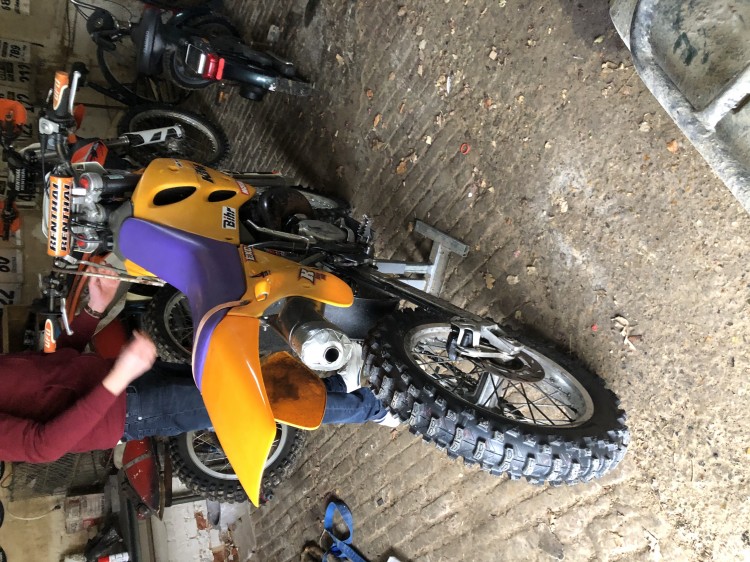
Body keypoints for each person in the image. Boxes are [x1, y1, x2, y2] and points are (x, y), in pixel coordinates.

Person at [0, 271, 396, 465]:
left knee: (255, 382)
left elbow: (50, 370)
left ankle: (344, 388)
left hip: (124, 380)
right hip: (127, 410)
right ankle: (379, 407)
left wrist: (92, 311)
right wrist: (116, 380)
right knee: (261, 403)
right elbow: (43, 446)